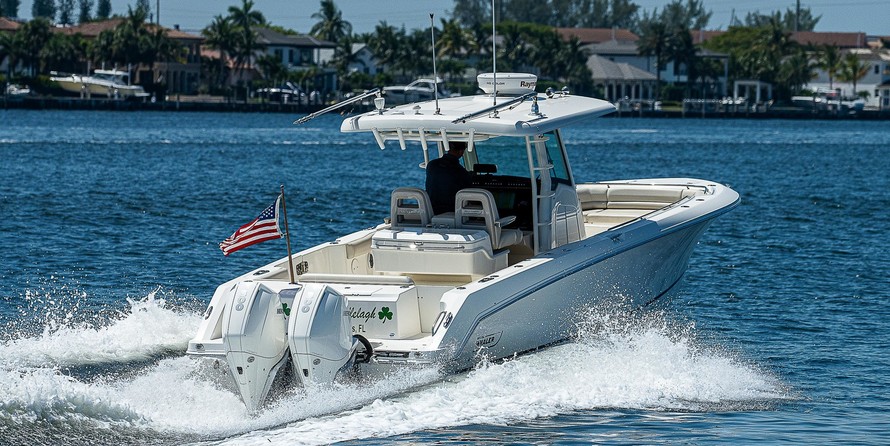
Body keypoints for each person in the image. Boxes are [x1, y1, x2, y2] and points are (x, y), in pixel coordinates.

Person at [425, 141, 473, 214]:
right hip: (452, 212)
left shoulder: (431, 165)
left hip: (431, 211)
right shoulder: (461, 172)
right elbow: (469, 195)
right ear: (461, 152)